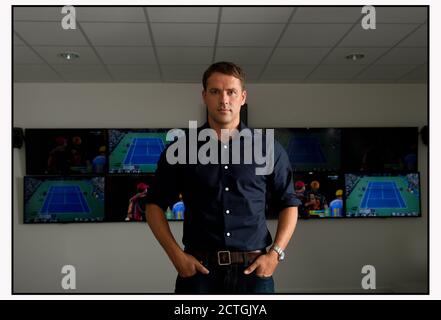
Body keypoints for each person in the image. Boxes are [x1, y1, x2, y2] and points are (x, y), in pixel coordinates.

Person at [145, 61, 300, 294]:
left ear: (243, 97)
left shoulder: (269, 149)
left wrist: (275, 254)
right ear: (204, 96)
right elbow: (153, 206)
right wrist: (176, 256)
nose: (224, 99)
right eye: (215, 91)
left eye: (231, 92)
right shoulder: (180, 151)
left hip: (254, 274)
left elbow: (289, 204)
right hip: (198, 275)